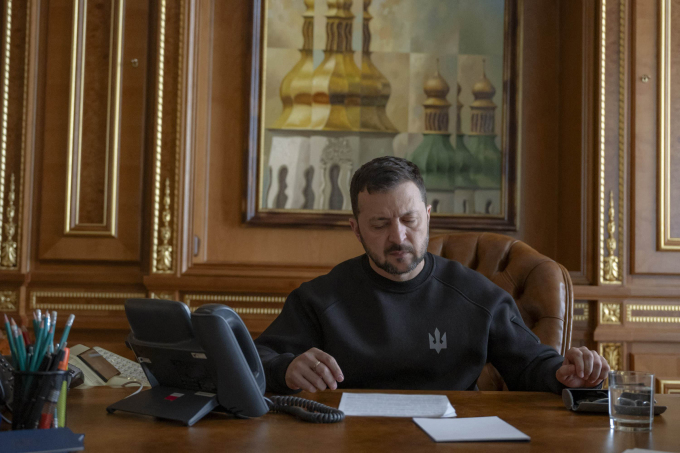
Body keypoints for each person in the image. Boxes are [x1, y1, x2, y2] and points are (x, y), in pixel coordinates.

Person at [255, 156, 609, 395]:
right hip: (352, 439)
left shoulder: (477, 295)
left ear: (427, 216)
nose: (398, 237)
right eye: (379, 224)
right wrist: (285, 369)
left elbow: (532, 364)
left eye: (409, 220)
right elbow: (257, 359)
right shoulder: (320, 298)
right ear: (356, 229)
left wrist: (567, 374)